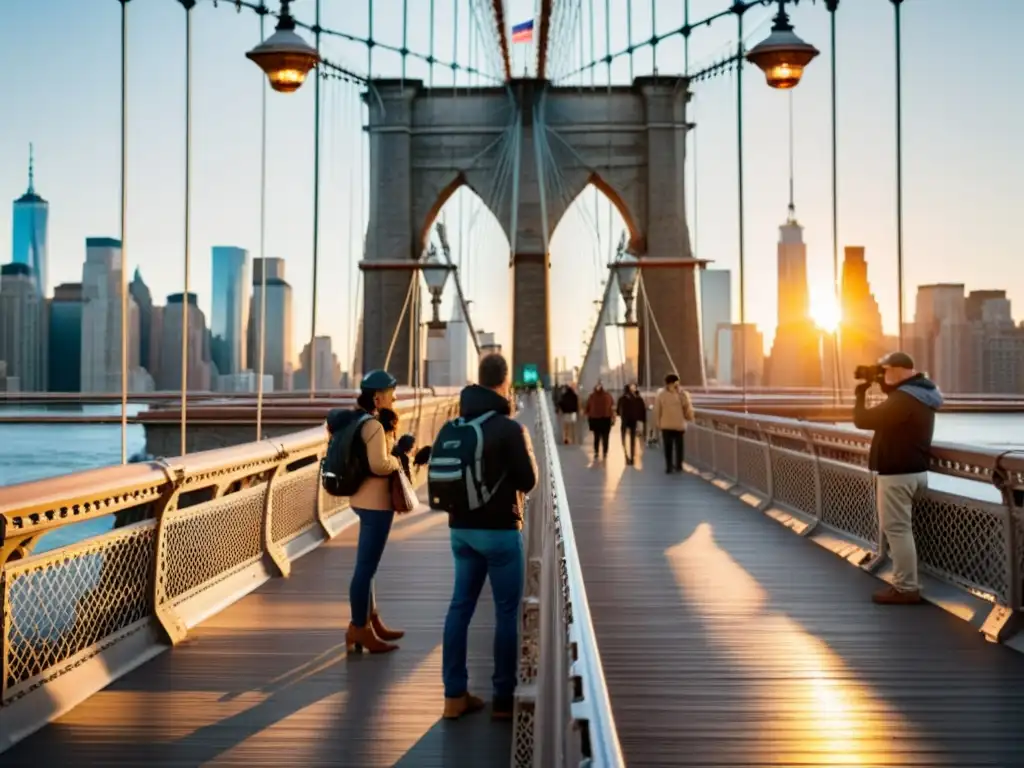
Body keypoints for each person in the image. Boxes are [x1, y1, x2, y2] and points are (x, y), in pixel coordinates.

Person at [442, 353, 538, 721]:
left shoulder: (456, 423)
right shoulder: (510, 429)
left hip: (461, 531)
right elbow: (528, 482)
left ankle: (454, 695)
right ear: (504, 381)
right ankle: (502, 698)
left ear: (477, 379)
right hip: (499, 532)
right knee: (506, 612)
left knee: (459, 608)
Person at [853, 351, 943, 605]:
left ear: (897, 370)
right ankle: (907, 582)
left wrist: (860, 394)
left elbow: (863, 419)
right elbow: (890, 410)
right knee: (903, 530)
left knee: (897, 530)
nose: (882, 376)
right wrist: (881, 381)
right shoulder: (920, 395)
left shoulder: (904, 399)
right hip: (914, 472)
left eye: (884, 371)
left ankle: (906, 588)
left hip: (897, 475)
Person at [329, 369, 407, 654]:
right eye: (391, 392)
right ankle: (359, 628)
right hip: (376, 504)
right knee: (365, 569)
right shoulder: (373, 426)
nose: (395, 397)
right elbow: (379, 465)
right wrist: (397, 462)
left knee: (367, 567)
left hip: (361, 500)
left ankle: (370, 621)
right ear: (377, 396)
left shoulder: (358, 420)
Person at [654, 373, 694, 474]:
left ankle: (669, 467)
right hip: (679, 425)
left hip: (666, 425)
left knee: (668, 447)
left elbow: (657, 410)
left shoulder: (661, 395)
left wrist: (658, 423)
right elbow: (687, 408)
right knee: (679, 446)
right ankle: (679, 466)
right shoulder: (682, 394)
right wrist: (690, 418)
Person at [616, 383, 647, 465]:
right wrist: (642, 420)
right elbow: (642, 410)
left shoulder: (622, 399)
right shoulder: (638, 398)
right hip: (634, 421)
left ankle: (627, 456)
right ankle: (632, 457)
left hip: (625, 421)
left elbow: (618, 411)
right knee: (632, 440)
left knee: (624, 439)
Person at [584, 381, 615, 461]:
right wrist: (612, 417)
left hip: (597, 419)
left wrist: (587, 413)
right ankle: (603, 452)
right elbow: (611, 407)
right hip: (604, 419)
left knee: (598, 437)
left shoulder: (592, 396)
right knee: (604, 437)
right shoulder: (607, 396)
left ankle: (598, 452)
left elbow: (587, 407)